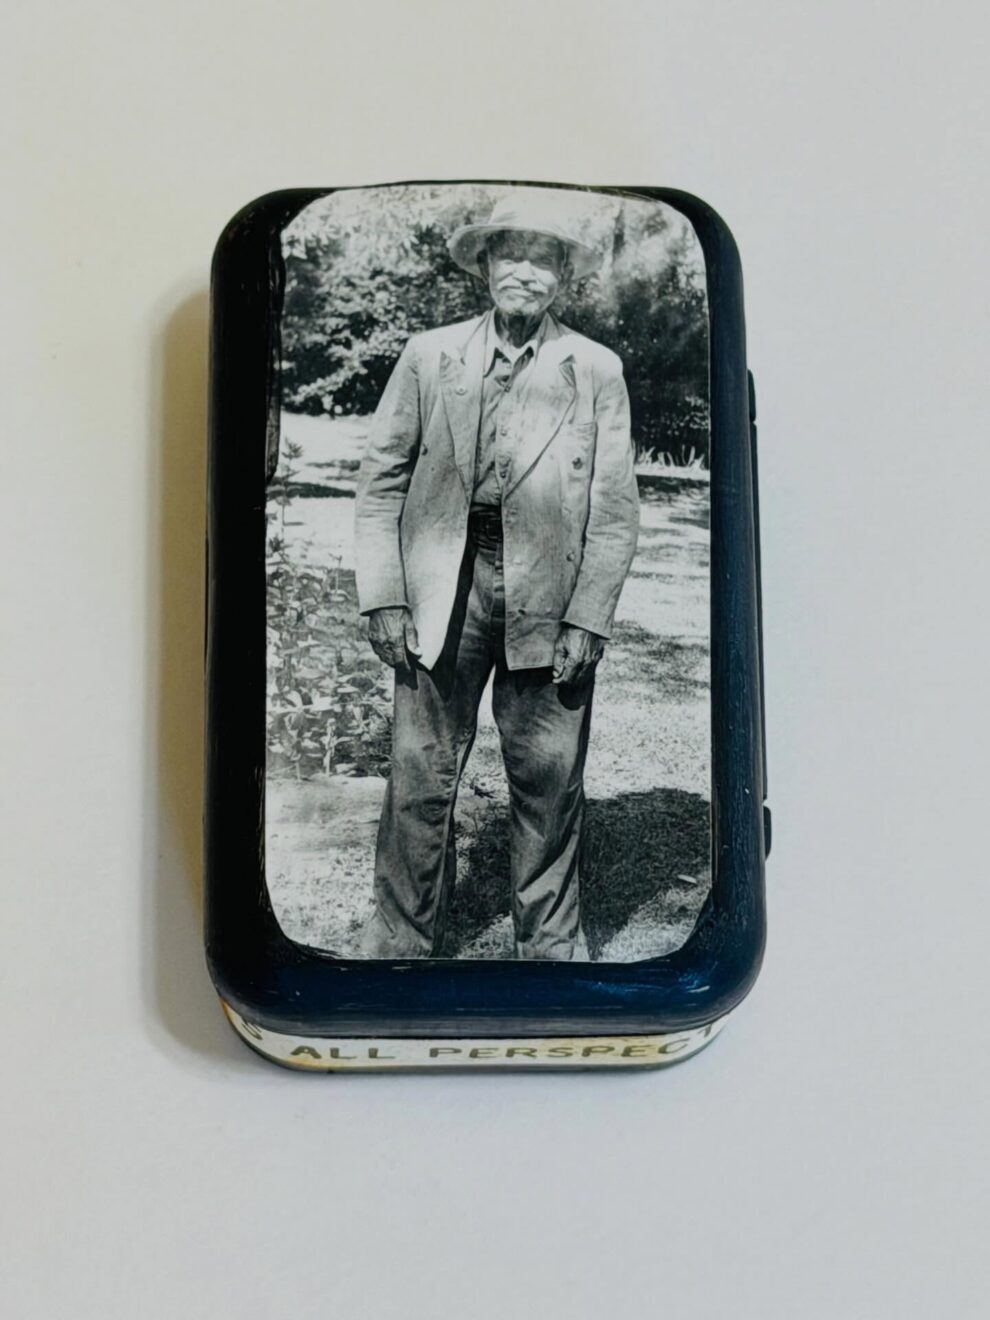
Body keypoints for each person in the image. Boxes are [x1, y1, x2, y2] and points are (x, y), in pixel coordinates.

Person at [354, 191, 640, 959]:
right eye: (510, 253)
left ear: (563, 277)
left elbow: (614, 508)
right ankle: (400, 942)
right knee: (420, 771)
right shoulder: (429, 355)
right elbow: (380, 483)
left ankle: (549, 949)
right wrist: (385, 594)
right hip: (443, 584)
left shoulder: (595, 369)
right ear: (484, 265)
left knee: (549, 777)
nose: (525, 270)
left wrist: (589, 616)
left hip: (549, 587)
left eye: (543, 259)